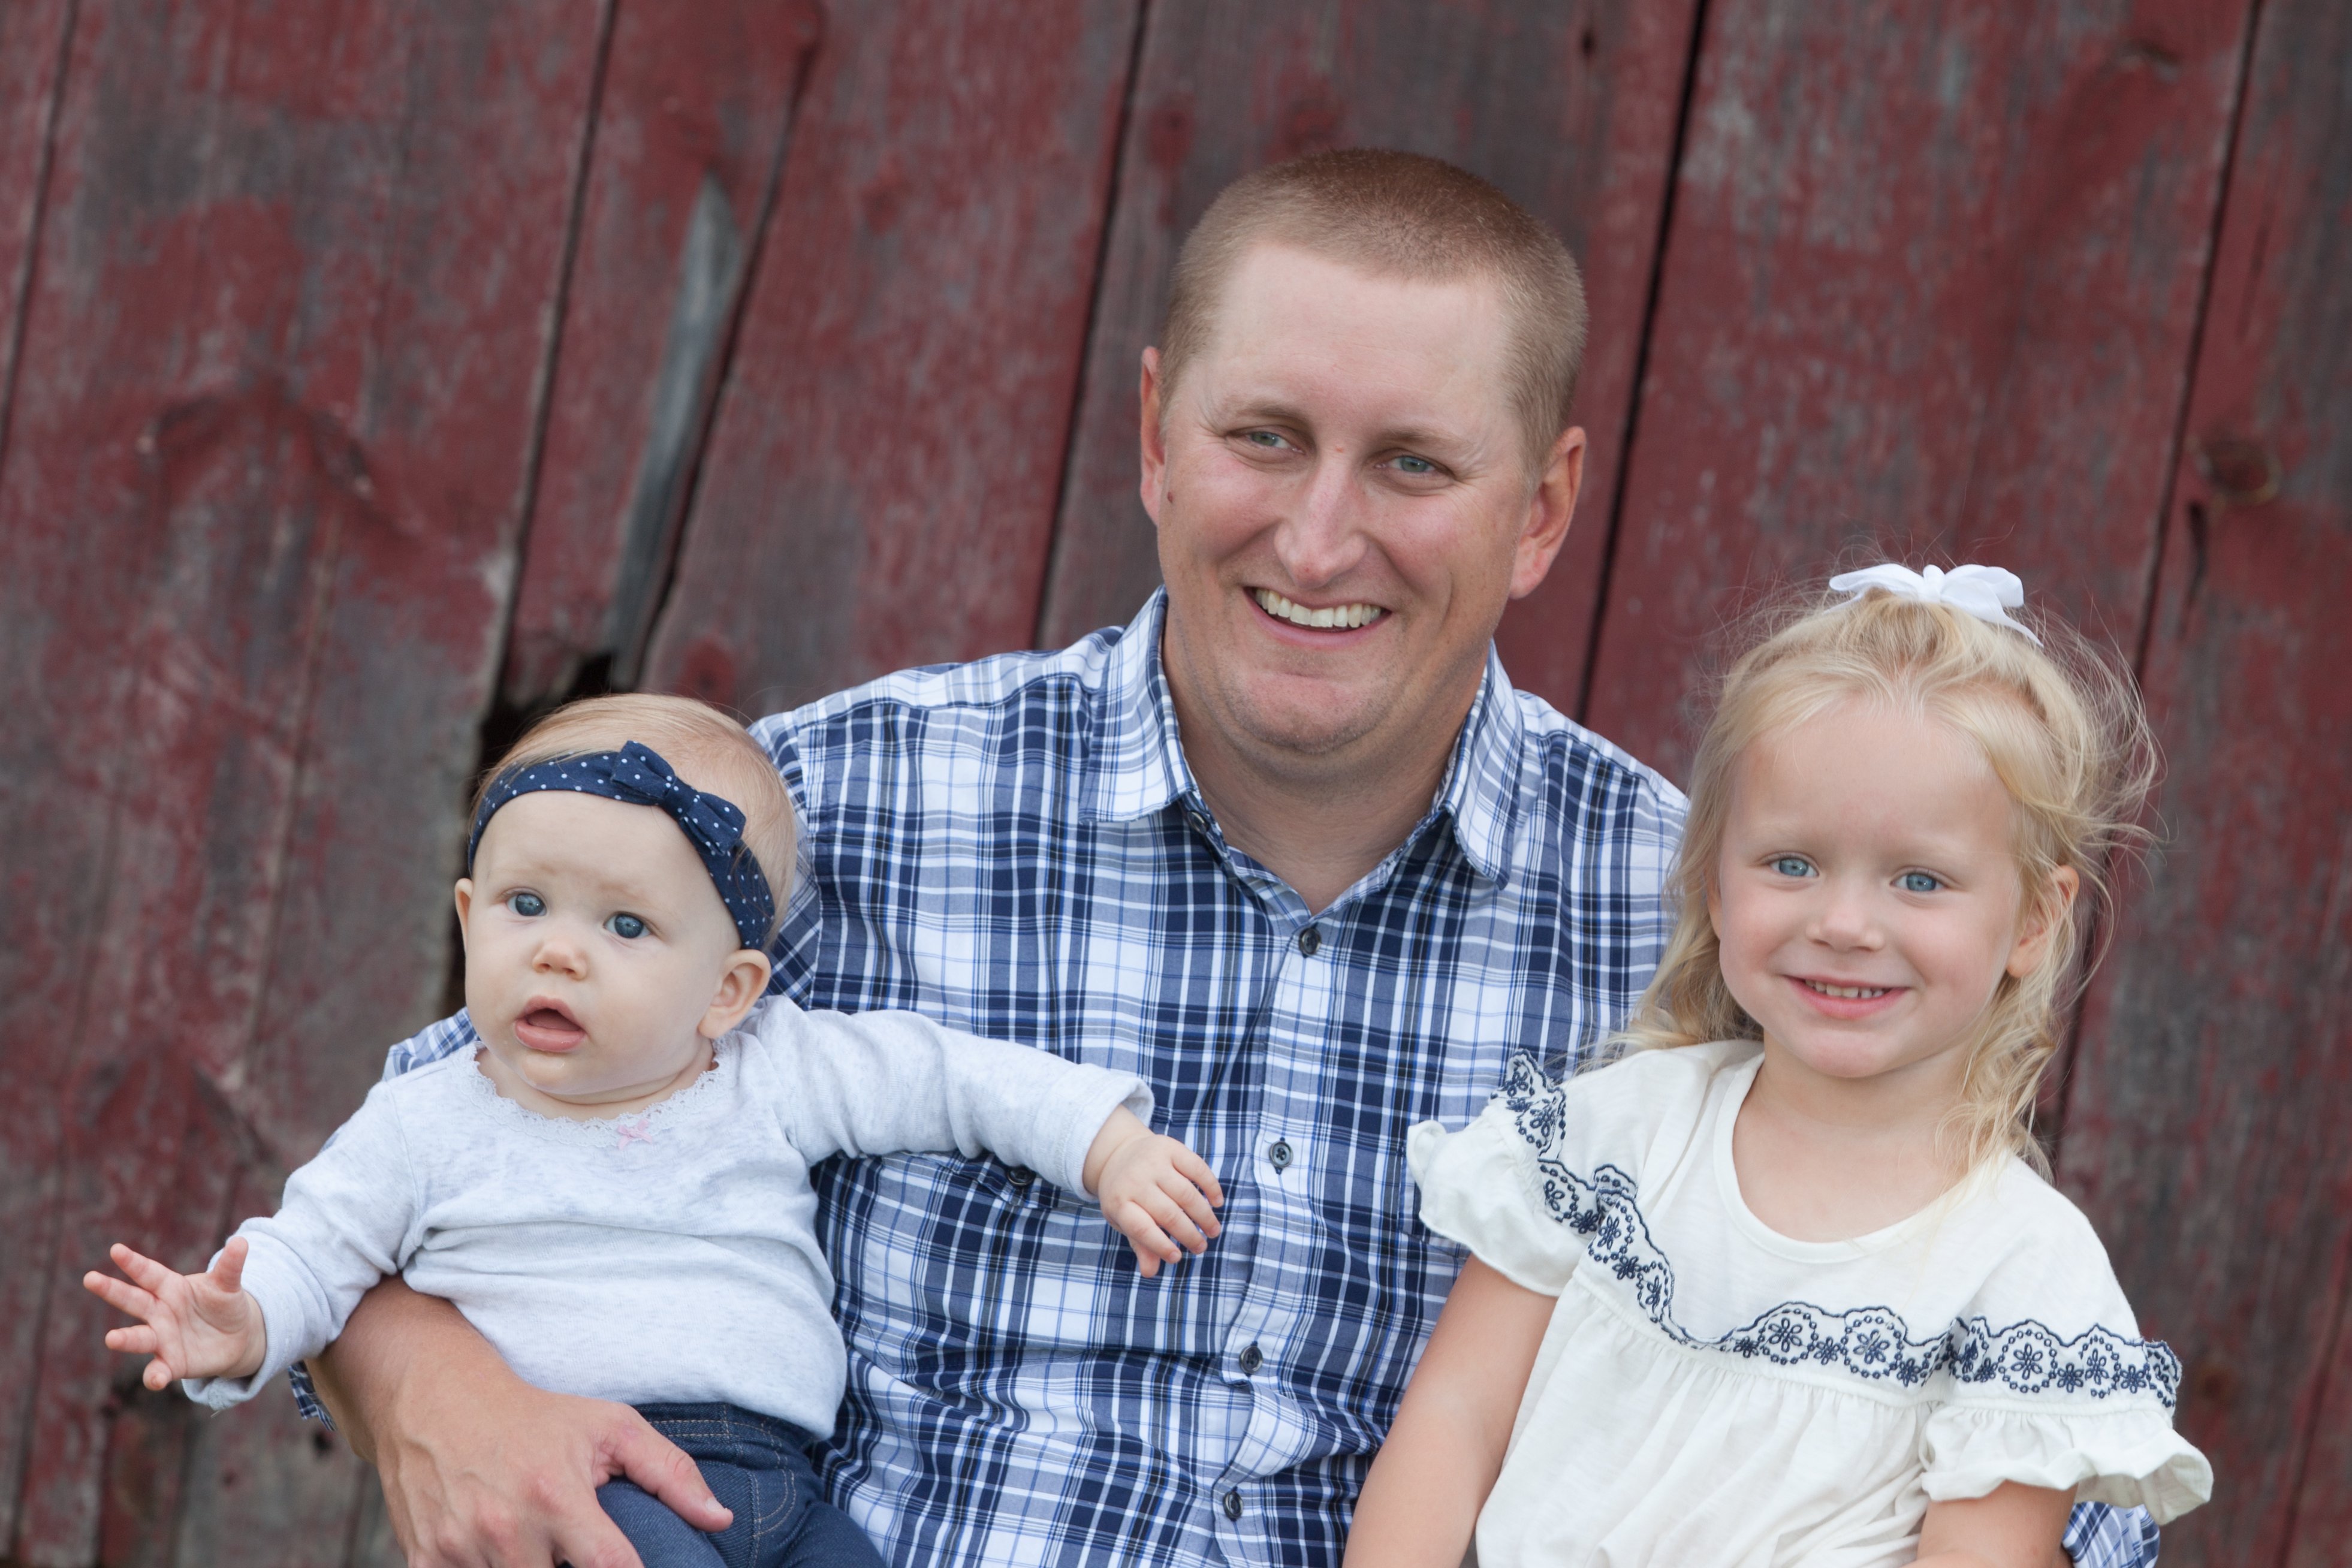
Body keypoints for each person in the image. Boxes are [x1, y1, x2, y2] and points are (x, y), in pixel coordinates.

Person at [298, 152, 2163, 1568]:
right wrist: (412, 1374)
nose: (1321, 533)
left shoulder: (1714, 928)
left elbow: (1963, 1364)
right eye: (1262, 437)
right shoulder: (844, 803)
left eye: (1413, 465)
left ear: (1545, 508)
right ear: (1151, 439)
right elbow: (428, 1141)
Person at [84, 695, 1222, 1568]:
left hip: (784, 1484)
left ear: (727, 990)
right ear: (470, 917)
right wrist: (235, 1324)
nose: (560, 950)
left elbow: (947, 1078)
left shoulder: (772, 1071)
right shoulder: (428, 1119)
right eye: (526, 906)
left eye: (625, 924)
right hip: (586, 1480)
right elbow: (314, 1252)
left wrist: (1105, 1146)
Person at [1349, 566, 2210, 1567]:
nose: (1843, 925)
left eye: (1919, 880)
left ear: (2034, 917)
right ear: (1714, 882)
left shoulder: (2023, 1279)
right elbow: (1455, 1419)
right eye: (1791, 863)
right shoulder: (1615, 1138)